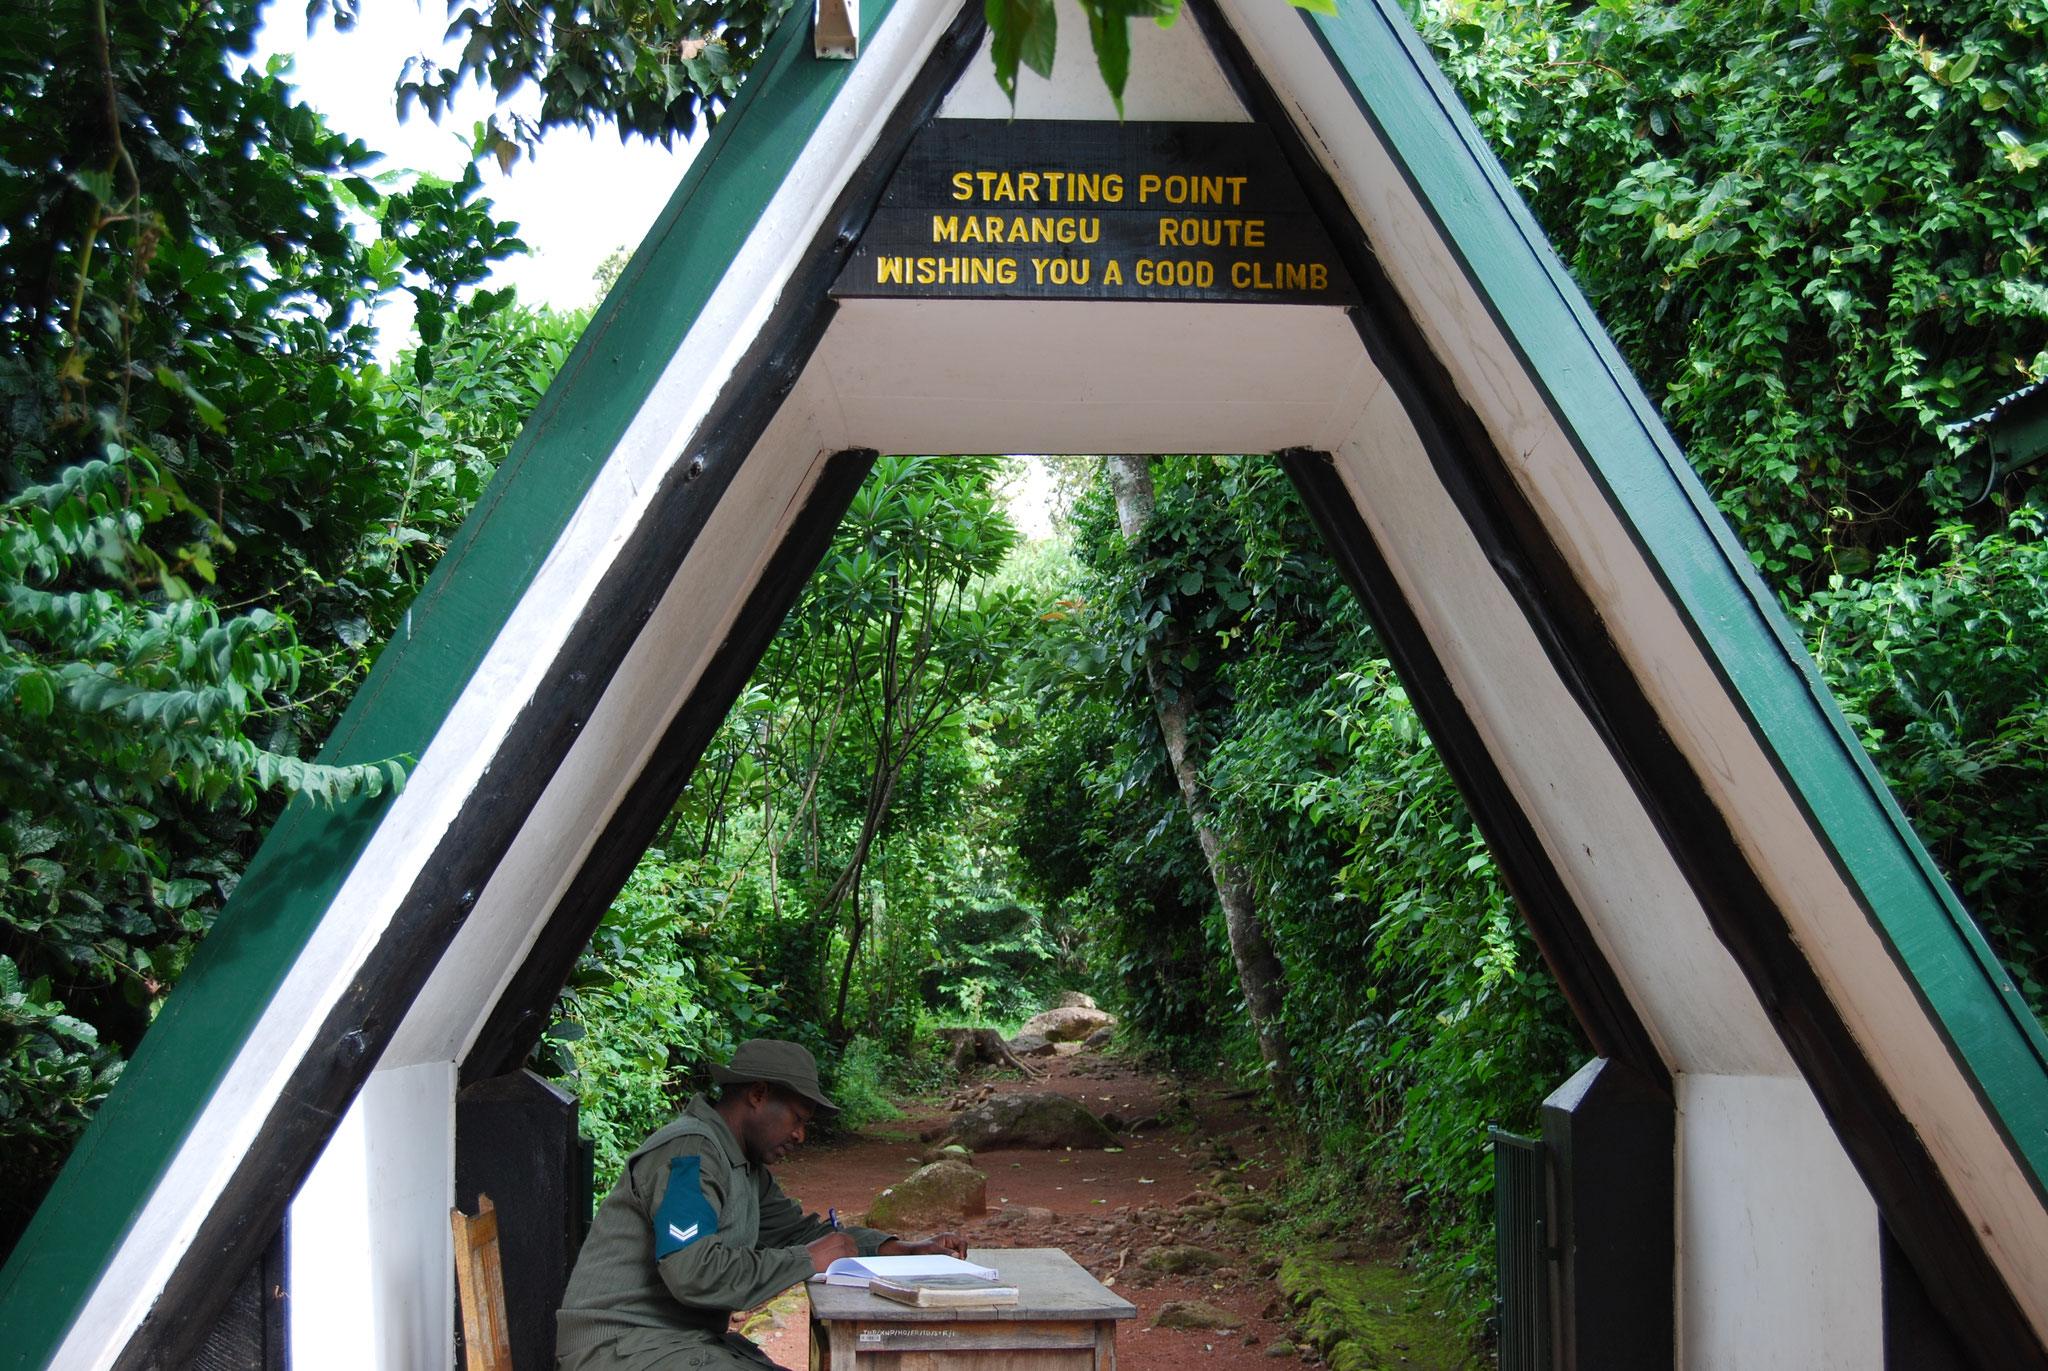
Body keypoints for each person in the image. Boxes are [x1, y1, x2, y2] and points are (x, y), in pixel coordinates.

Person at [556, 1038, 966, 1370]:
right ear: (757, 1094)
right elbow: (693, 1272)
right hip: (617, 1349)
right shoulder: (690, 1154)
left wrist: (899, 1248)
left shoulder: (744, 1167)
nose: (800, 1136)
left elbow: (802, 1233)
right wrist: (807, 1259)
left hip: (672, 1343)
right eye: (797, 1119)